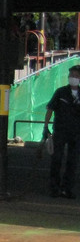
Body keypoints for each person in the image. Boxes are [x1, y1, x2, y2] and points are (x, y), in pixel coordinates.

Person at [44, 65, 80, 198]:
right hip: (60, 131)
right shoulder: (61, 92)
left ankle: (67, 189)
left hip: (76, 133)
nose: (73, 78)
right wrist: (45, 127)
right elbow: (50, 109)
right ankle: (54, 188)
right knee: (57, 159)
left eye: (76, 76)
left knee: (73, 162)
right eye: (71, 75)